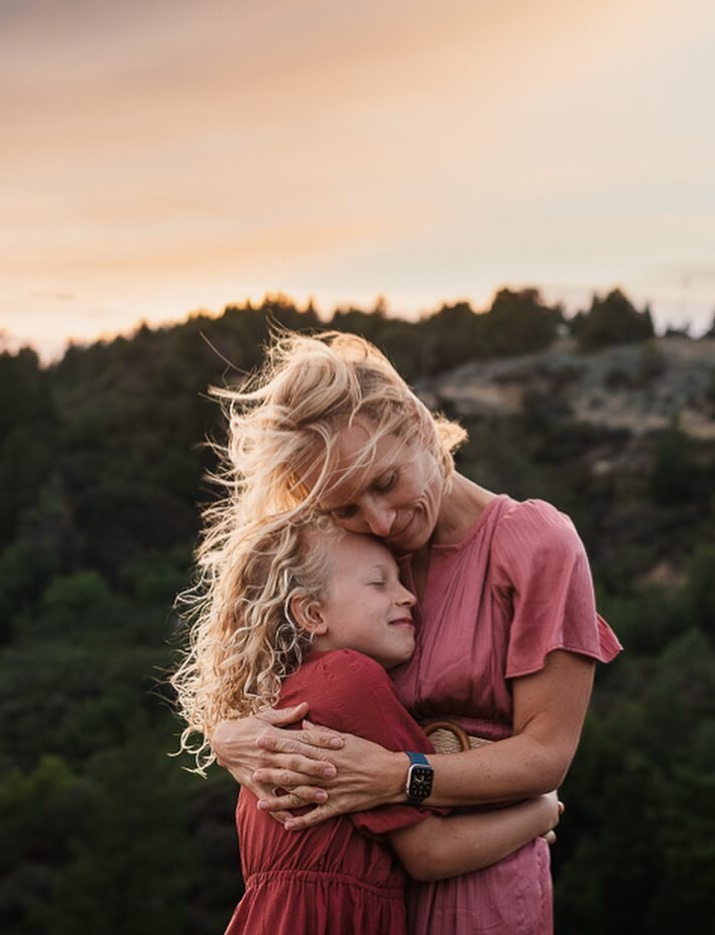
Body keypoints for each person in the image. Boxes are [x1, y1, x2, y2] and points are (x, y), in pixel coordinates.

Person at [197, 330, 622, 934]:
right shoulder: (353, 560)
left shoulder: (536, 546)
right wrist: (230, 737)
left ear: (417, 425)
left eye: (385, 481)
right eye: (346, 507)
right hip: (363, 895)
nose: (380, 520)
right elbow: (280, 668)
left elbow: (547, 755)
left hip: (482, 880)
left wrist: (400, 776)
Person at [172, 512, 563, 935]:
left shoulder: (285, 695)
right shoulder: (350, 679)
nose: (408, 596)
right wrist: (541, 813)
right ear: (313, 614)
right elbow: (430, 853)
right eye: (379, 583)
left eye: (402, 580)